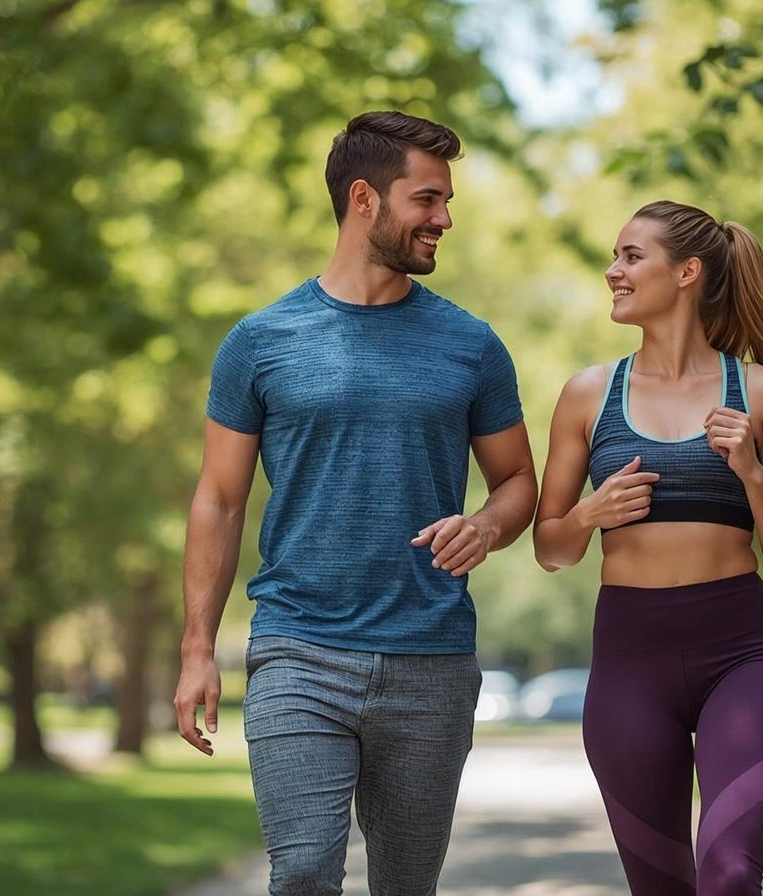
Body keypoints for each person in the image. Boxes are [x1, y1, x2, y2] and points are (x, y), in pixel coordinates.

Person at [173, 110, 538, 896]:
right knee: (302, 871)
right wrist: (198, 647)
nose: (445, 219)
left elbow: (518, 484)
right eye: (428, 199)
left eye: (446, 202)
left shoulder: (471, 344)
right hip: (298, 649)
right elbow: (219, 499)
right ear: (365, 199)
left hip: (431, 657)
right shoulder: (261, 341)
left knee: (406, 884)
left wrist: (485, 524)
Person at [532, 200, 763, 895]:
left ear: (687, 272)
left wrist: (749, 471)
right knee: (660, 886)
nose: (613, 272)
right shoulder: (587, 396)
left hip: (740, 653)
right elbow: (550, 547)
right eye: (615, 256)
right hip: (630, 660)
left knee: (727, 874)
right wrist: (591, 514)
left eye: (631, 256)